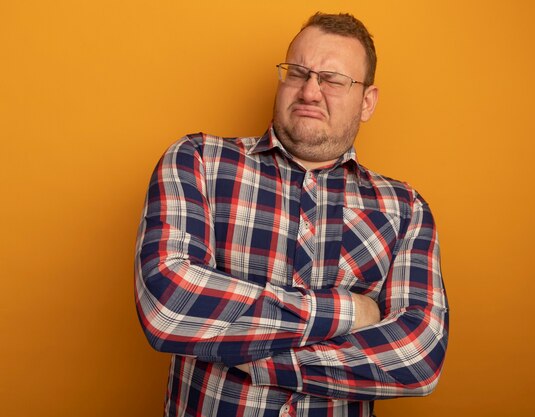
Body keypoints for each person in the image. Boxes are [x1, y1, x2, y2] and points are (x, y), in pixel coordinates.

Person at [135, 12, 449, 417]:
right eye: (298, 72)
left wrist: (251, 358)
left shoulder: (405, 209)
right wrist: (350, 312)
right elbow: (169, 305)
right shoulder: (199, 160)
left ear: (367, 102)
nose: (310, 92)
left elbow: (417, 360)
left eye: (333, 80)